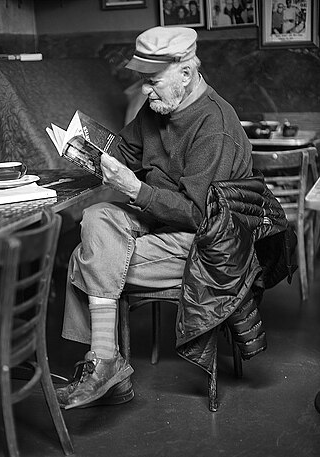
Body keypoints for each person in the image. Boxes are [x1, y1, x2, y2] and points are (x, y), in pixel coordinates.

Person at [56, 26, 253, 410]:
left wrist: (133, 188)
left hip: (207, 244)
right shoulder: (158, 105)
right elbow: (126, 151)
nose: (145, 91)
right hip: (160, 222)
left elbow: (199, 215)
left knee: (87, 260)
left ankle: (105, 365)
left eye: (153, 81)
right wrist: (88, 150)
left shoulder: (215, 126)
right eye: (142, 81)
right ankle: (107, 363)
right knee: (96, 217)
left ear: (186, 72)